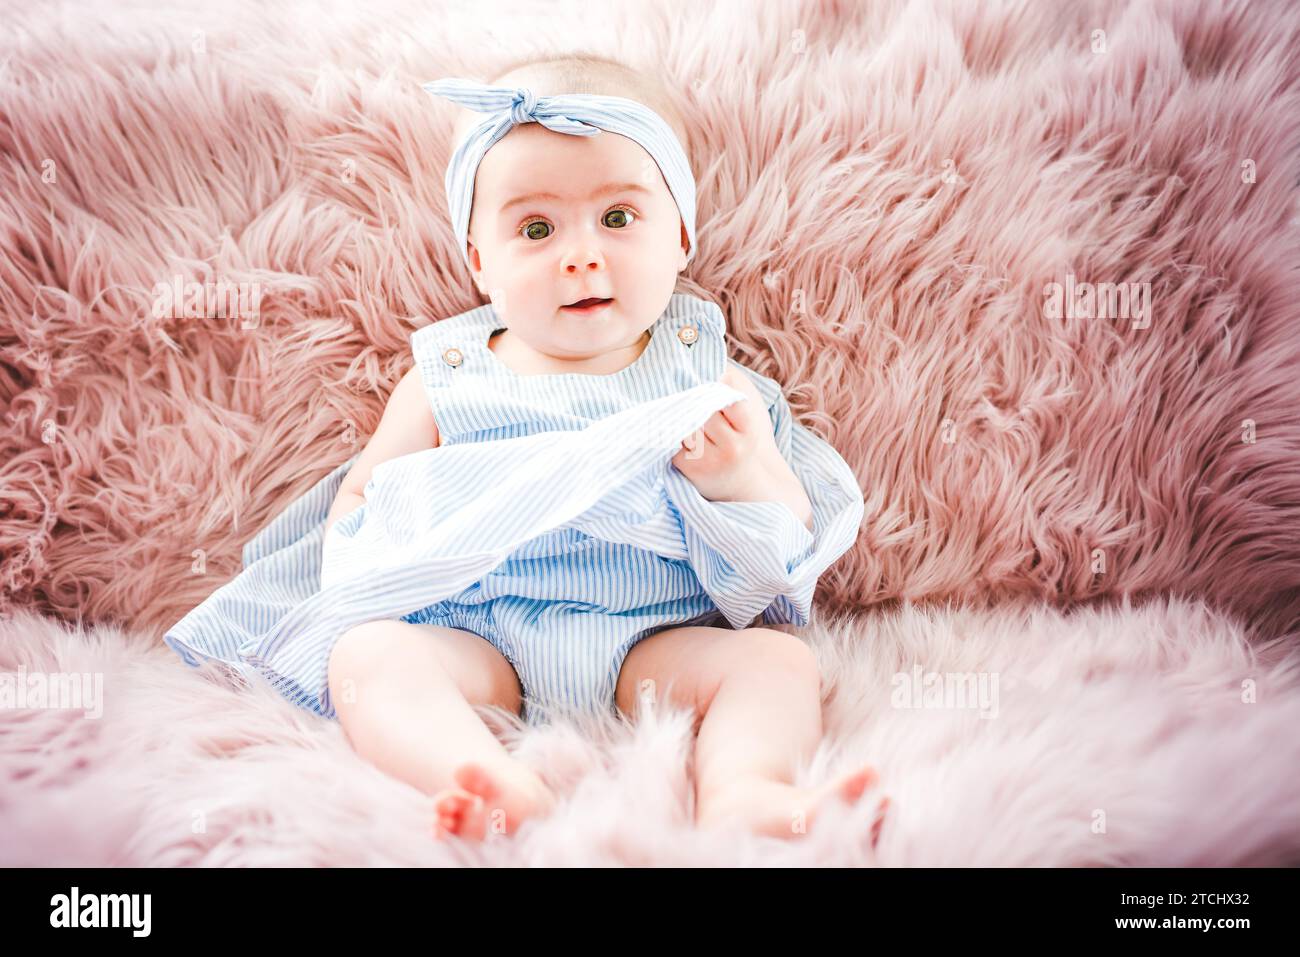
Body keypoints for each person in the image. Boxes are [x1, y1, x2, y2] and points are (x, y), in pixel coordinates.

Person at [166, 54, 887, 847]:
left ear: (681, 234)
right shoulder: (445, 378)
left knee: (777, 663)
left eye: (618, 218)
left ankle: (746, 787)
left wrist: (738, 474)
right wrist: (409, 520)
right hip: (480, 635)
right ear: (481, 262)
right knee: (367, 656)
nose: (581, 255)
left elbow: (790, 538)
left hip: (650, 640)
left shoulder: (702, 372)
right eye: (536, 229)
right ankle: (484, 775)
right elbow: (361, 509)